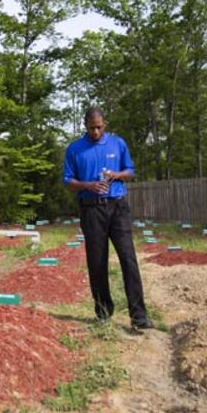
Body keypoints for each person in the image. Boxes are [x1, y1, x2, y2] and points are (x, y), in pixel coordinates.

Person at [63, 107, 153, 329]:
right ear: (85, 125)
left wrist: (116, 175)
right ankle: (103, 313)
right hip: (91, 210)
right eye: (92, 127)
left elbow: (130, 171)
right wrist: (89, 185)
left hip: (117, 208)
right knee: (97, 262)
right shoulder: (74, 149)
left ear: (105, 124)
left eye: (99, 127)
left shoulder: (118, 144)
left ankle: (139, 317)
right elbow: (68, 181)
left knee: (128, 259)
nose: (95, 131)